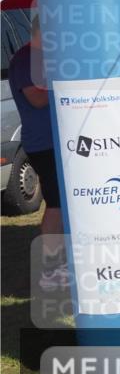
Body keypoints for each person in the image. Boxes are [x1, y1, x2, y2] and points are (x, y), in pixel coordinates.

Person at [8, 17, 66, 290]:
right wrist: (64, 85)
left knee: (62, 204)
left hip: (56, 141)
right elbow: (37, 98)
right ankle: (50, 270)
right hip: (43, 143)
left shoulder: (42, 57)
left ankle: (61, 264)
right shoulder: (25, 59)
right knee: (55, 204)